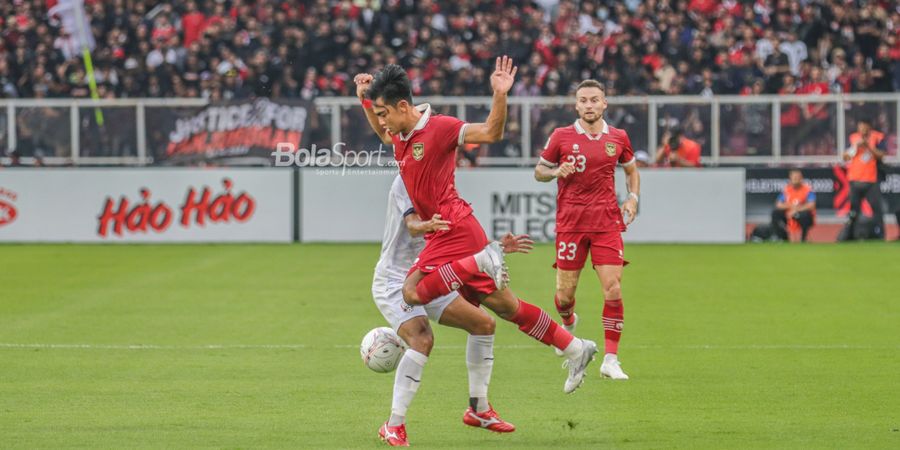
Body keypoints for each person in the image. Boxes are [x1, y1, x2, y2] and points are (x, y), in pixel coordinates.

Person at [354, 58, 598, 401]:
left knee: (411, 291)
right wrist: (365, 99)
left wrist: (499, 94)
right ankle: (575, 348)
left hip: (453, 230)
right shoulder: (400, 135)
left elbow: (491, 132)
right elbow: (382, 131)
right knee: (505, 306)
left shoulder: (440, 128)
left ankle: (486, 258)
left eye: (383, 113)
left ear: (403, 106)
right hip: (451, 234)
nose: (381, 123)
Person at [372, 175, 531, 446]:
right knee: (422, 339)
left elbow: (461, 238)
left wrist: (496, 247)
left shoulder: (441, 184)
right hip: (395, 280)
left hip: (429, 277)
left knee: (484, 324)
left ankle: (478, 409)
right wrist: (428, 225)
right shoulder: (407, 180)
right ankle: (393, 425)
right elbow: (412, 227)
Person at [533, 80, 641, 380]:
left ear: (604, 103)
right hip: (571, 224)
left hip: (606, 223)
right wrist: (556, 171)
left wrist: (633, 198)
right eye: (584, 100)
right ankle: (568, 323)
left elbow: (632, 170)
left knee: (613, 288)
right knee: (564, 296)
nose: (589, 105)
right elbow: (539, 171)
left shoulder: (618, 137)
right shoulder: (561, 136)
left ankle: (610, 359)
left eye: (595, 100)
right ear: (576, 105)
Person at [840, 117, 886, 241]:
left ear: (869, 127)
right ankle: (851, 236)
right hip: (855, 180)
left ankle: (880, 236)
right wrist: (856, 147)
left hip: (871, 180)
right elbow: (845, 157)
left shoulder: (877, 137)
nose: (863, 129)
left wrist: (869, 147)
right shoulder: (853, 138)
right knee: (853, 210)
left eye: (865, 126)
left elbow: (882, 156)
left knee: (877, 210)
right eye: (860, 126)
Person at [771, 169, 816, 242]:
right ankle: (782, 238)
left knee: (805, 215)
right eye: (794, 177)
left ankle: (803, 239)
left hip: (801, 214)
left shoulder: (807, 190)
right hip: (789, 213)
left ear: (801, 178)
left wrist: (796, 210)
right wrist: (791, 207)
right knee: (775, 213)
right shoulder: (787, 189)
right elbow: (778, 204)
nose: (795, 179)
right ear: (790, 178)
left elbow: (811, 205)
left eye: (797, 177)